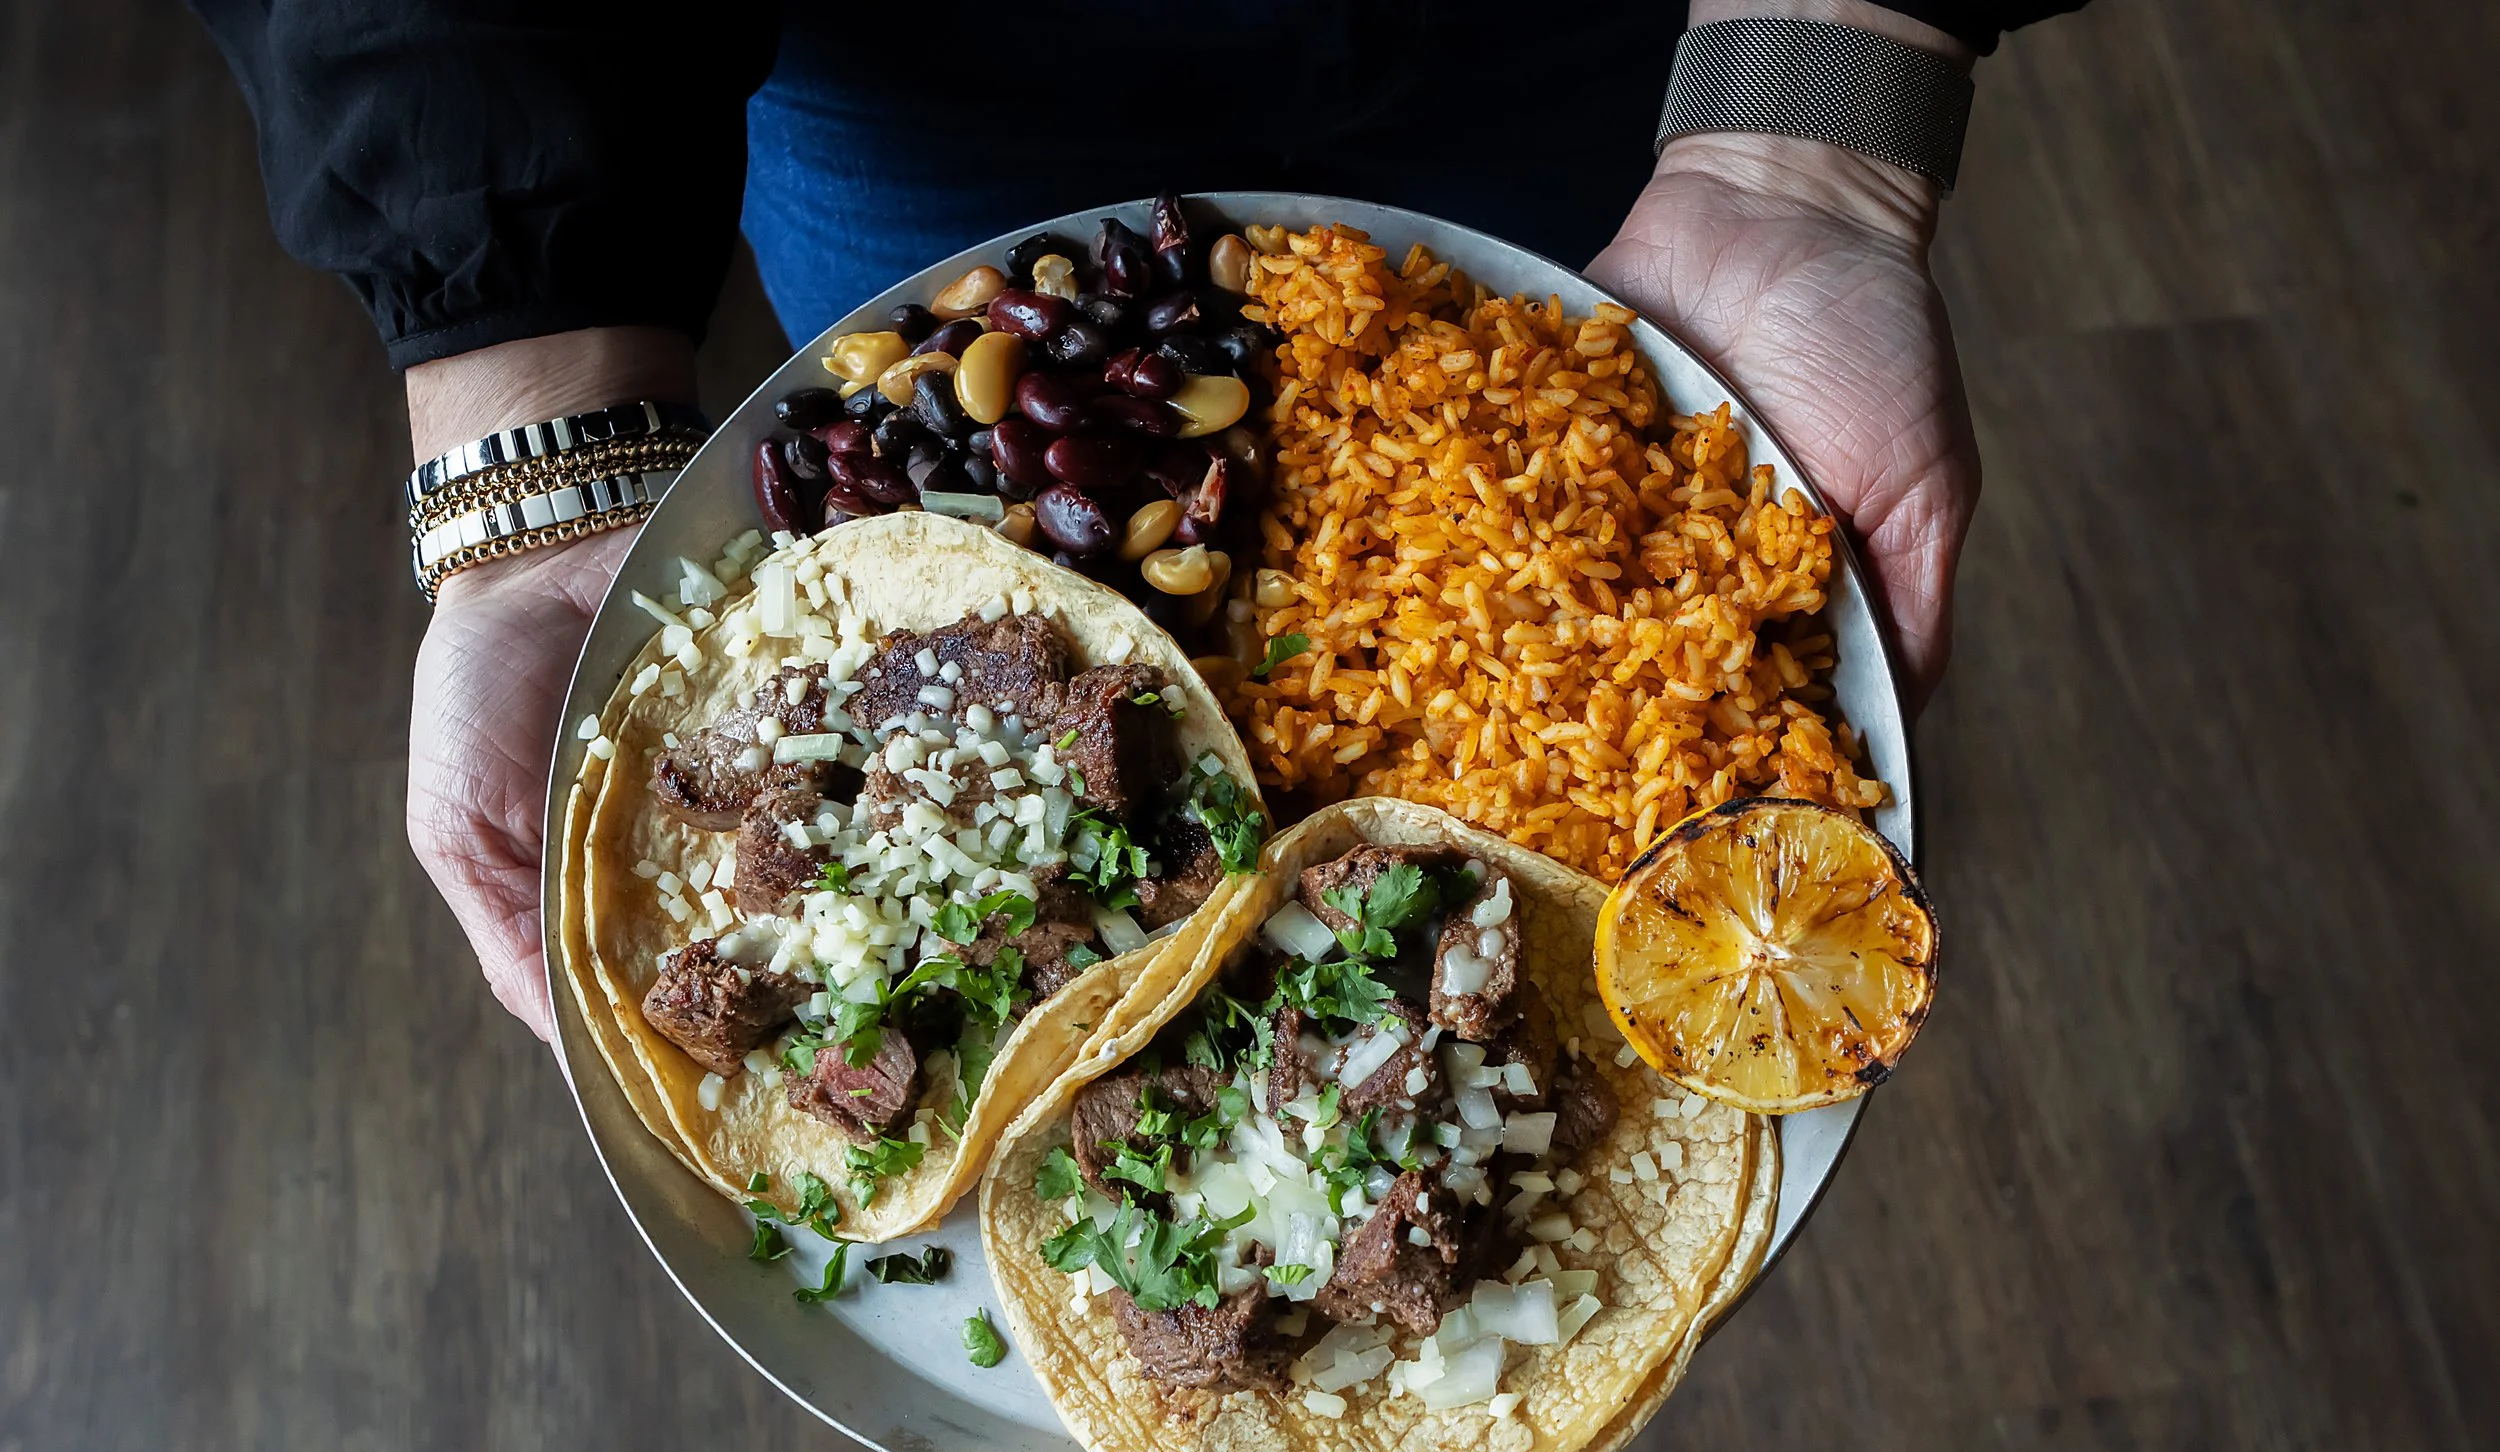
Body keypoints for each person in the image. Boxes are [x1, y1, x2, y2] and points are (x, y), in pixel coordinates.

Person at [194, 0, 2081, 1039]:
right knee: (922, 388)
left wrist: (1803, 130)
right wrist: (535, 409)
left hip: (1616, 22)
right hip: (927, 56)